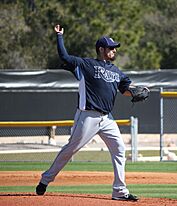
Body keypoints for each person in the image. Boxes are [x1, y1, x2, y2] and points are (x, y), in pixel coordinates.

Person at [36, 24, 140, 201]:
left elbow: (125, 89)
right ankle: (46, 179)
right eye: (111, 48)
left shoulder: (117, 72)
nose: (114, 50)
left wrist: (136, 92)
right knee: (71, 149)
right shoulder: (86, 65)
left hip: (107, 118)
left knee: (119, 149)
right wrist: (60, 36)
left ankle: (119, 191)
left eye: (115, 48)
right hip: (88, 116)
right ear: (101, 49)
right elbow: (65, 57)